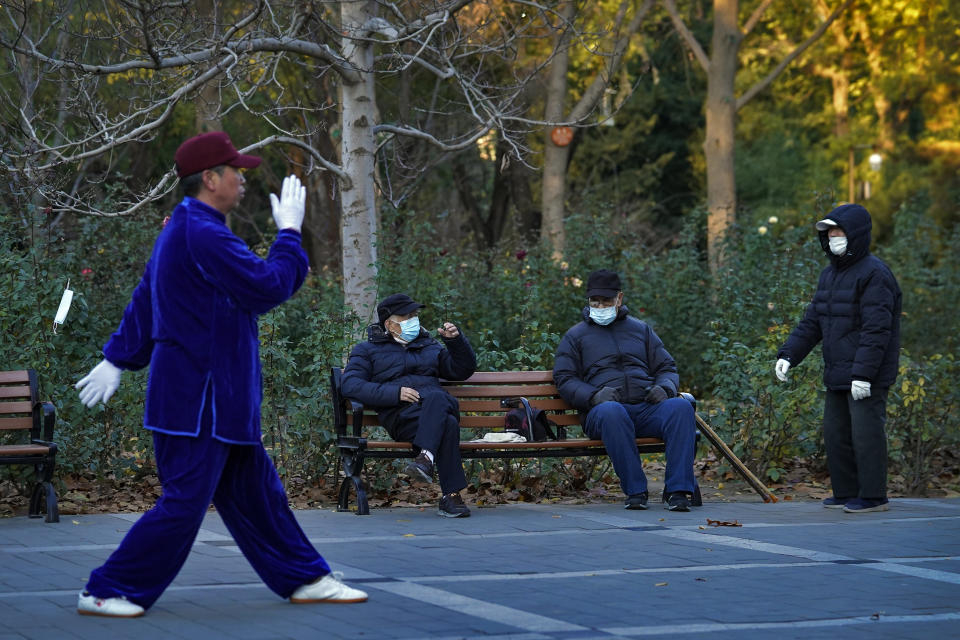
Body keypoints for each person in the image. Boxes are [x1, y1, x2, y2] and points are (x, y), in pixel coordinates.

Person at [73, 131, 367, 618]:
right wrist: (290, 235)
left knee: (259, 497)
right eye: (236, 172)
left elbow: (148, 297)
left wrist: (118, 358)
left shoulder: (186, 229)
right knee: (186, 503)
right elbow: (266, 286)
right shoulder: (203, 233)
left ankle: (305, 578)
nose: (244, 180)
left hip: (215, 405)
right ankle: (108, 589)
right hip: (201, 405)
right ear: (210, 179)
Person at [775, 203, 901, 514]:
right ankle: (845, 492)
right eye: (829, 232)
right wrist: (789, 354)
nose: (833, 236)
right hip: (838, 371)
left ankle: (873, 496)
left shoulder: (875, 274)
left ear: (855, 235)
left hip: (866, 374)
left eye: (838, 230)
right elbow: (813, 322)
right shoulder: (829, 276)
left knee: (866, 434)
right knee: (836, 433)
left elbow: (877, 329)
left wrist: (864, 374)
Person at [553, 269, 699, 511]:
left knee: (681, 407)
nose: (600, 306)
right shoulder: (575, 336)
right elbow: (564, 378)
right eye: (595, 301)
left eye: (606, 301)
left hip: (645, 408)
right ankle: (635, 491)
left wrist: (665, 387)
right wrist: (593, 396)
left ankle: (678, 491)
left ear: (619, 299)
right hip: (602, 413)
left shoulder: (641, 330)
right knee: (612, 411)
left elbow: (666, 366)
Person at [341, 293, 476, 518]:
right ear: (389, 324)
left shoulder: (430, 346)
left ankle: (425, 460)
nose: (413, 319)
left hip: (433, 409)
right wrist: (395, 393)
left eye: (414, 314)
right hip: (403, 417)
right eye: (406, 316)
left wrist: (455, 342)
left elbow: (461, 370)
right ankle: (451, 497)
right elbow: (351, 385)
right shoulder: (367, 350)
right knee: (448, 418)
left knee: (440, 405)